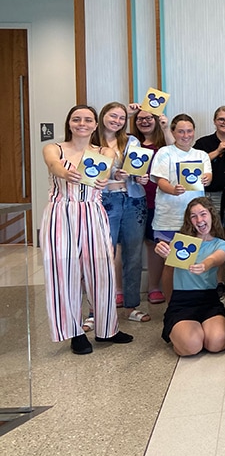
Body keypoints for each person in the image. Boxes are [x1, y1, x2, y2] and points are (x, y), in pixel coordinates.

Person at [40, 105, 134, 354]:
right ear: (69, 123)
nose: (82, 123)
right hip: (61, 213)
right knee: (63, 272)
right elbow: (53, 165)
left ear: (95, 125)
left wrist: (111, 179)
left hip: (93, 211)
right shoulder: (54, 148)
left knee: (102, 270)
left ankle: (107, 329)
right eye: (76, 119)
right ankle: (75, 332)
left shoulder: (104, 151)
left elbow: (103, 176)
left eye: (88, 120)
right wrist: (65, 172)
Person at [92, 101, 149, 321]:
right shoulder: (91, 141)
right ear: (102, 116)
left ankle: (131, 306)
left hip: (134, 200)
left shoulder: (131, 141)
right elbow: (88, 173)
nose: (117, 121)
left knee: (133, 255)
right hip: (104, 200)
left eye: (122, 118)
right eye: (112, 116)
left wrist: (140, 177)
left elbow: (137, 169)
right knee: (103, 255)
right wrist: (111, 176)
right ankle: (96, 310)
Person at [154, 197, 225, 356]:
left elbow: (217, 258)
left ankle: (197, 331)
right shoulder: (180, 243)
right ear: (189, 220)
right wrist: (164, 253)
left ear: (211, 215)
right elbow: (168, 270)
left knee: (216, 343)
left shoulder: (221, 244)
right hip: (182, 301)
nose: (199, 220)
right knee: (191, 346)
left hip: (209, 300)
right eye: (194, 216)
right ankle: (180, 332)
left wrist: (205, 265)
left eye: (203, 214)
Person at [194, 106, 225, 289]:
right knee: (214, 238)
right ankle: (218, 281)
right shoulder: (204, 142)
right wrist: (217, 151)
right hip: (210, 196)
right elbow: (194, 165)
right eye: (221, 119)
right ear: (214, 121)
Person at [149, 114, 212, 246]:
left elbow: (208, 175)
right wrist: (173, 190)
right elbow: (160, 181)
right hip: (169, 217)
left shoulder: (201, 155)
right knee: (168, 257)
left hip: (195, 219)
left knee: (193, 256)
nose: (186, 135)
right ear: (173, 132)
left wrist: (207, 179)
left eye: (189, 131)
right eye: (181, 131)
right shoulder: (164, 152)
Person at [130, 109, 172, 307]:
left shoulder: (163, 144)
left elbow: (176, 151)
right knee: (127, 245)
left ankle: (154, 287)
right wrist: (127, 113)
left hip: (159, 201)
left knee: (153, 244)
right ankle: (121, 289)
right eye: (140, 118)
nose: (144, 121)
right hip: (133, 200)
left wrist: (166, 127)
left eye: (149, 118)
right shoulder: (130, 142)